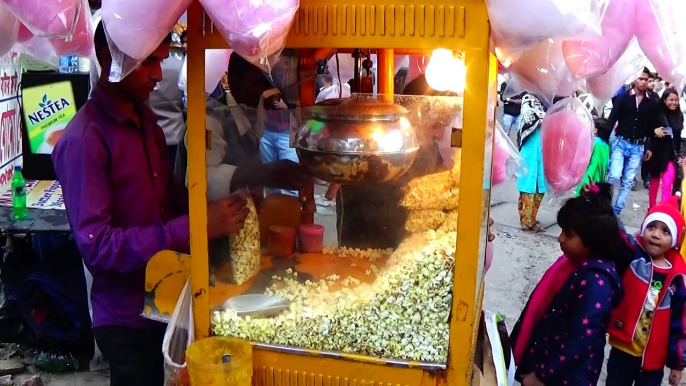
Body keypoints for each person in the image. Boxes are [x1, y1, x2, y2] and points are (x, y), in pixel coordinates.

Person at [52, 23, 248, 386]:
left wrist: (225, 208)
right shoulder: (84, 140)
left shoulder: (146, 124)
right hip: (127, 320)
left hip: (169, 305)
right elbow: (98, 247)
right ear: (112, 59)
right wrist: (194, 226)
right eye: (148, 63)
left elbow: (171, 198)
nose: (159, 75)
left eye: (161, 61)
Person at [510, 183, 624, 386]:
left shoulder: (596, 284)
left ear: (593, 240)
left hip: (565, 378)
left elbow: (580, 341)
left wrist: (542, 375)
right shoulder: (574, 264)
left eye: (569, 234)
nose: (560, 238)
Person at [606, 195, 686, 386]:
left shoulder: (677, 275)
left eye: (665, 231)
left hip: (653, 360)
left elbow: (680, 322)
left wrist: (677, 364)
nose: (656, 234)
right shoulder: (634, 252)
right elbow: (616, 232)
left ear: (675, 238)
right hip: (622, 348)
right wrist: (598, 200)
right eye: (652, 227)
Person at [607, 68, 660, 214]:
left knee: (628, 181)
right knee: (614, 176)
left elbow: (653, 126)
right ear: (634, 80)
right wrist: (604, 139)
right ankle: (605, 206)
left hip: (638, 146)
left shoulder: (651, 102)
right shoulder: (624, 97)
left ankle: (616, 211)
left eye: (646, 80)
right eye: (641, 79)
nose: (644, 82)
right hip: (621, 141)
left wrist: (650, 147)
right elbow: (612, 118)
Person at [148, 45, 185, 167]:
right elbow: (185, 104)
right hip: (175, 134)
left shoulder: (143, 67)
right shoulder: (179, 66)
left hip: (150, 136)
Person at [645, 89, 684, 207]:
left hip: (671, 155)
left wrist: (681, 155)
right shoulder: (657, 113)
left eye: (676, 100)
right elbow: (646, 129)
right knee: (654, 184)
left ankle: (662, 211)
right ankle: (652, 208)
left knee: (667, 185)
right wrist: (654, 131)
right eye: (671, 100)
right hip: (657, 153)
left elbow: (678, 137)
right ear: (664, 100)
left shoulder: (679, 115)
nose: (674, 103)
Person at [516, 93, 547, 232]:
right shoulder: (528, 99)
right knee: (529, 187)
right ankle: (528, 221)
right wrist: (544, 118)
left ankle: (529, 217)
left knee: (539, 186)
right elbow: (529, 116)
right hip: (530, 151)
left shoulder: (545, 101)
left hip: (540, 152)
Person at [575, 118, 612, 196]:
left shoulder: (593, 143)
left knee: (581, 196)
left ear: (596, 130)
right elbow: (607, 164)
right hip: (600, 178)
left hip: (589, 175)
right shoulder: (606, 146)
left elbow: (585, 159)